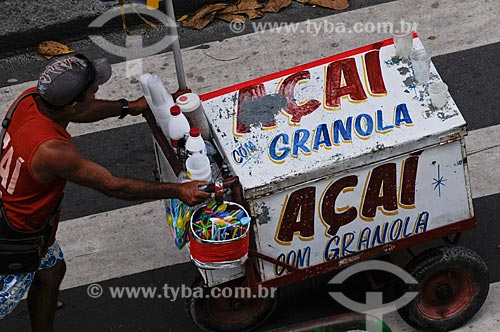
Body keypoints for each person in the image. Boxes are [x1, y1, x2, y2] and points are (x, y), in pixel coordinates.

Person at [0, 53, 211, 331]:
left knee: (52, 272)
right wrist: (178, 190)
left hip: (32, 223)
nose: (97, 89)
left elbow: (83, 110)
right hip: (17, 238)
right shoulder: (52, 151)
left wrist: (130, 107)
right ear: (73, 102)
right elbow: (113, 186)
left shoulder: (31, 99)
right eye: (93, 89)